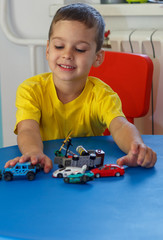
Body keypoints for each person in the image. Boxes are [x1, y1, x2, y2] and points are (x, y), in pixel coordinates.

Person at [5, 3, 157, 173]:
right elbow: (27, 129)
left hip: (85, 172)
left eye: (80, 49)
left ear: (97, 57)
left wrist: (135, 147)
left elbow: (120, 126)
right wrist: (33, 152)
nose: (67, 55)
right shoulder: (30, 90)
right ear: (48, 49)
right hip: (46, 169)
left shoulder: (102, 95)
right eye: (59, 46)